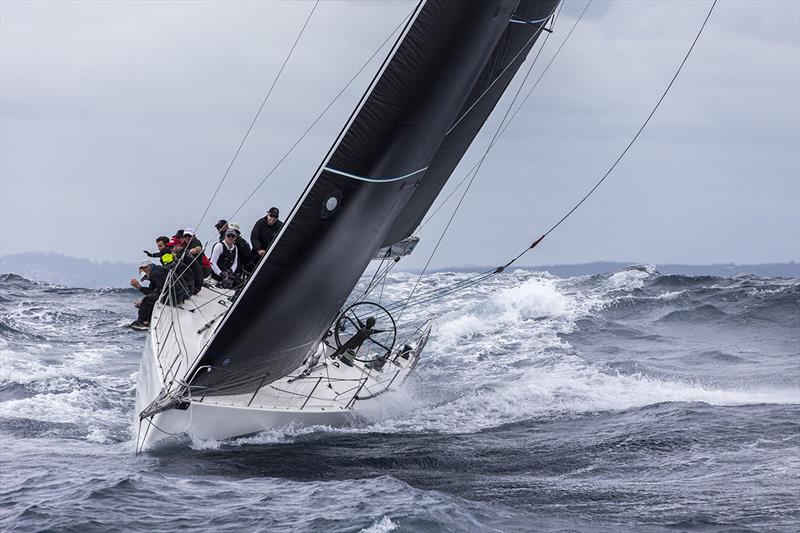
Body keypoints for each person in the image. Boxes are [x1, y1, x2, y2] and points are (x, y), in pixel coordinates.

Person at [129, 262, 168, 330]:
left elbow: (160, 290)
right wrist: (139, 287)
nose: (146, 279)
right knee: (147, 300)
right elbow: (152, 291)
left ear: (147, 268)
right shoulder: (155, 273)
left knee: (147, 299)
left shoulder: (155, 274)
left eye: (145, 277)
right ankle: (146, 321)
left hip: (172, 295)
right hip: (169, 294)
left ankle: (142, 322)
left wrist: (144, 300)